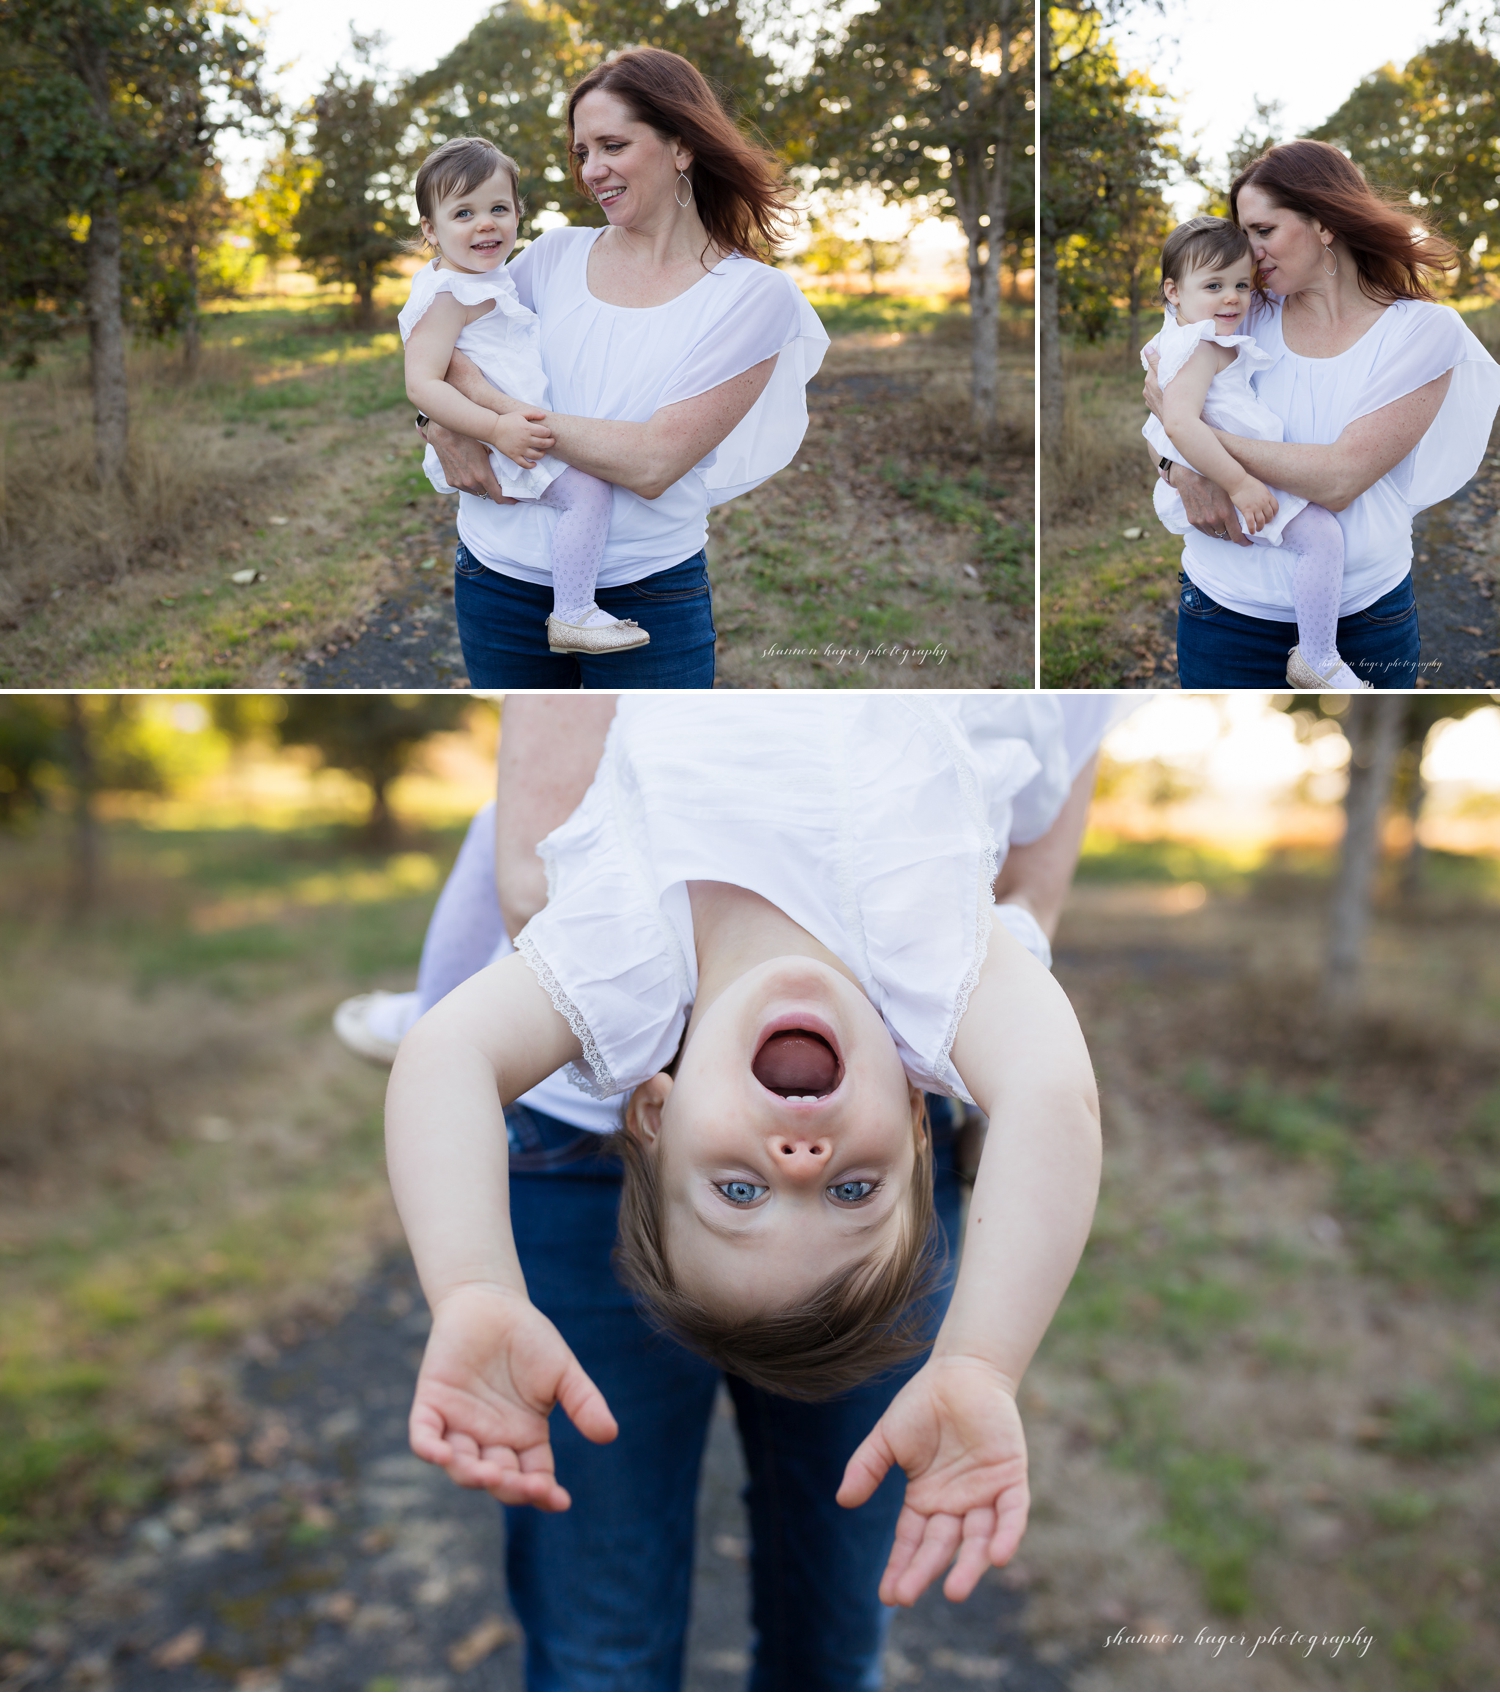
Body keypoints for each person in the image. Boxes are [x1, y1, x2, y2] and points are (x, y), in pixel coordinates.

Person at [339, 696, 1126, 1691]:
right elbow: (1056, 1096)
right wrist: (978, 1362)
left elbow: (449, 1051)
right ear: (921, 1130)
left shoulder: (628, 962)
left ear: (653, 1117)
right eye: (854, 1188)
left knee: (620, 1651)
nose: (800, 1161)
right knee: (812, 1650)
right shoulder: (939, 977)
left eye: (738, 1188)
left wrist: (476, 1291)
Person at [419, 48, 829, 689]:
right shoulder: (551, 255)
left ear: (682, 147)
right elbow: (442, 343)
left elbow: (651, 462)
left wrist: (498, 420)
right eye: (583, 153)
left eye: (613, 145)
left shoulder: (753, 298)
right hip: (496, 580)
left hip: (646, 598)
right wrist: (435, 423)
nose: (593, 171)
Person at [1144, 140, 1500, 689]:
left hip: (1365, 619)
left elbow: (1339, 479)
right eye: (1245, 235)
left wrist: (1199, 445)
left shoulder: (1424, 332)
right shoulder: (1239, 311)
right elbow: (1157, 406)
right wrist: (1178, 469)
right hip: (1224, 613)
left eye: (1264, 231)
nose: (1250, 252)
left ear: (1325, 223)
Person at [402, 136, 646, 656]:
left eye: (498, 208)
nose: (485, 223)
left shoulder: (489, 278)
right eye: (463, 213)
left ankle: (573, 609)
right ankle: (574, 611)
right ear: (431, 230)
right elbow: (421, 382)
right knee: (587, 495)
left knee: (584, 495)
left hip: (505, 428)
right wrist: (493, 430)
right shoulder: (450, 294)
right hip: (500, 438)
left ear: (518, 212)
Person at [1141, 216, 1367, 691]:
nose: (1232, 297)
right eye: (1214, 285)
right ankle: (1318, 658)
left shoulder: (1187, 336)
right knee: (1322, 538)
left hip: (1230, 469)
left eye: (1242, 284)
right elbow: (1177, 422)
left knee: (1318, 536)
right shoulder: (1198, 345)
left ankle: (1316, 651)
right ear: (1174, 291)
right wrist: (1241, 484)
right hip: (1232, 475)